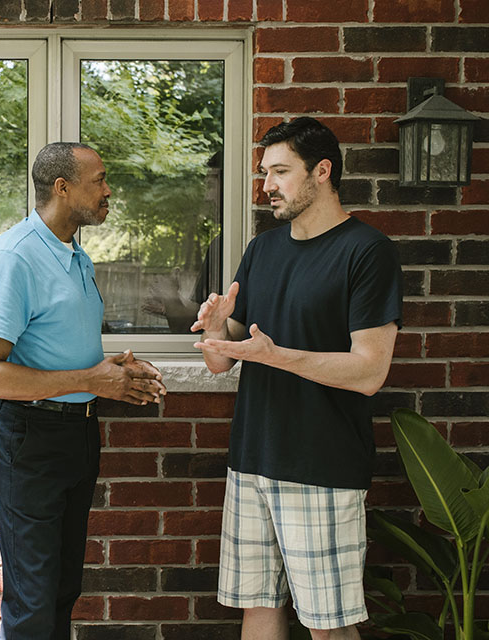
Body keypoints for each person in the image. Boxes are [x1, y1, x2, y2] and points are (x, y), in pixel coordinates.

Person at [190, 117, 403, 640]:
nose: (267, 185)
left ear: (322, 171)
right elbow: (221, 362)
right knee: (257, 609)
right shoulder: (263, 249)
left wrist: (276, 355)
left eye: (280, 172)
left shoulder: (367, 251)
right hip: (252, 459)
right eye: (265, 172)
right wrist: (216, 329)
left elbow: (370, 371)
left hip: (321, 464)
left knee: (329, 626)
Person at [0, 141, 167, 640]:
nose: (108, 190)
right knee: (32, 600)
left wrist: (113, 370)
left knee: (61, 590)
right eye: (99, 180)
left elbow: (61, 345)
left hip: (78, 434)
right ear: (62, 188)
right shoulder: (14, 257)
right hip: (28, 440)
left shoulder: (76, 256)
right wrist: (89, 379)